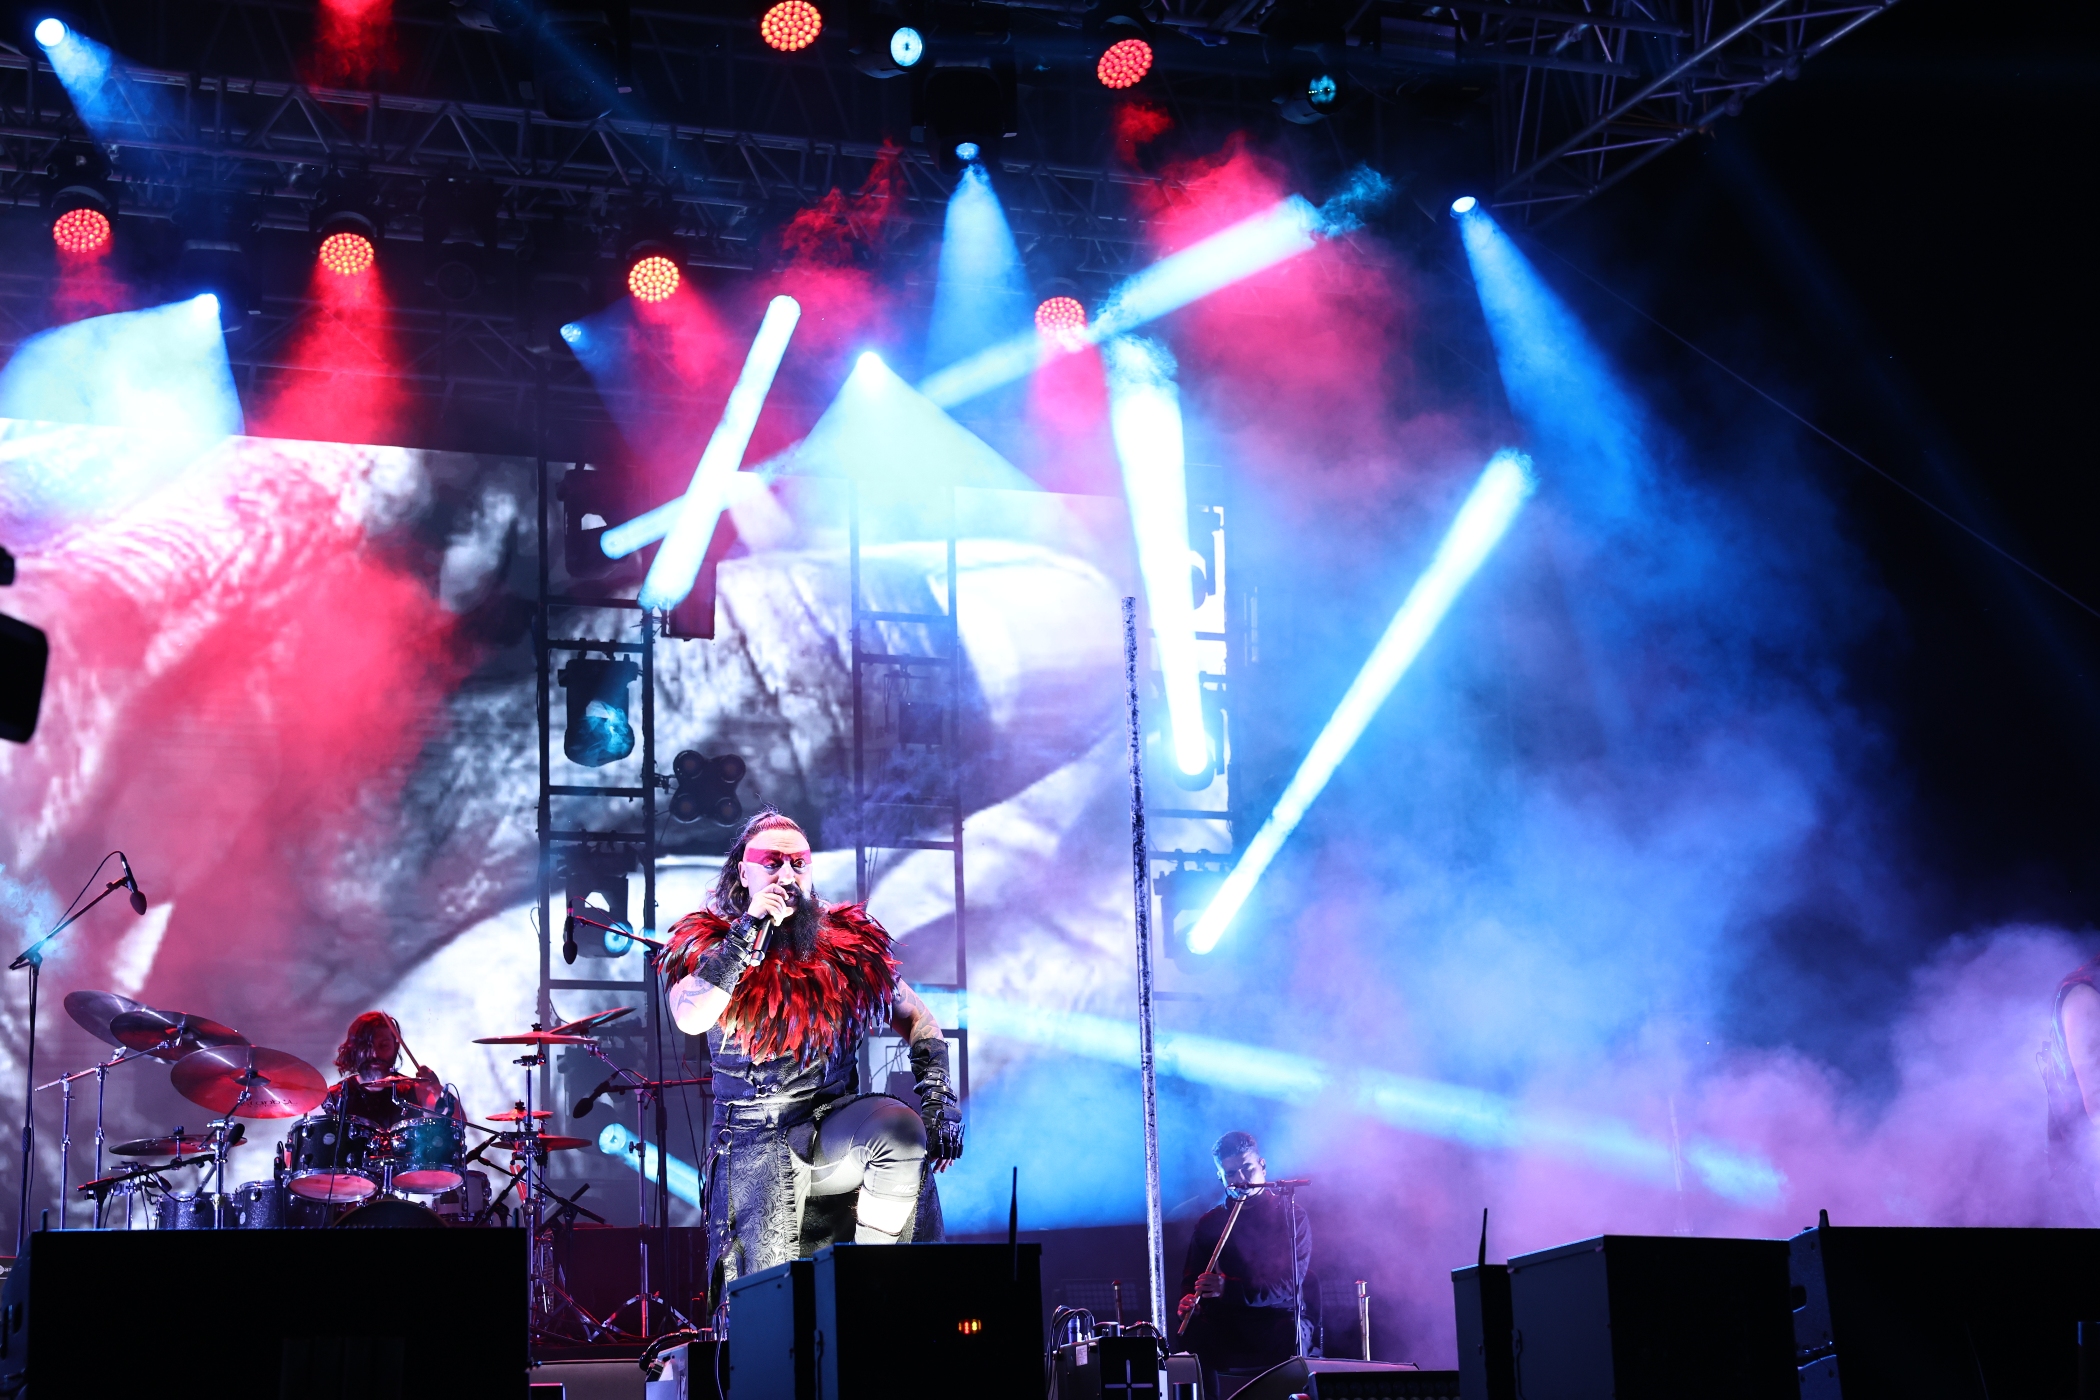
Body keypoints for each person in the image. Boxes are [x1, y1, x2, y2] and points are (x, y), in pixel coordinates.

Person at [663, 809, 963, 1297]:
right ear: (744, 872)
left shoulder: (847, 947)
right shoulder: (708, 944)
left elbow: (916, 1016)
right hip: (753, 1139)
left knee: (902, 1133)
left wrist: (939, 1095)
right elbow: (690, 1017)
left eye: (798, 864)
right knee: (765, 1306)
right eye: (772, 863)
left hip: (831, 1123)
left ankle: (869, 1289)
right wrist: (749, 929)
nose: (786, 875)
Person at [1176, 1131, 1314, 1397]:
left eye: (1247, 1168)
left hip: (1278, 1318)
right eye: (1230, 1173)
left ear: (1262, 1165)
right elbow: (1192, 1280)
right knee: (1191, 1333)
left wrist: (1228, 1288)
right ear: (1220, 1176)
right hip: (1229, 1322)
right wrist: (1188, 1302)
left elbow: (1288, 1285)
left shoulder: (1291, 1215)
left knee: (1290, 1333)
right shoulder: (1210, 1223)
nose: (1240, 1179)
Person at [322, 1010, 449, 1127]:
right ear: (354, 1049)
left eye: (384, 1045)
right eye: (366, 1046)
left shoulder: (416, 1091)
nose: (375, 1054)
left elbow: (454, 1124)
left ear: (396, 1048)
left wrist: (436, 1088)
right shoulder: (335, 1097)